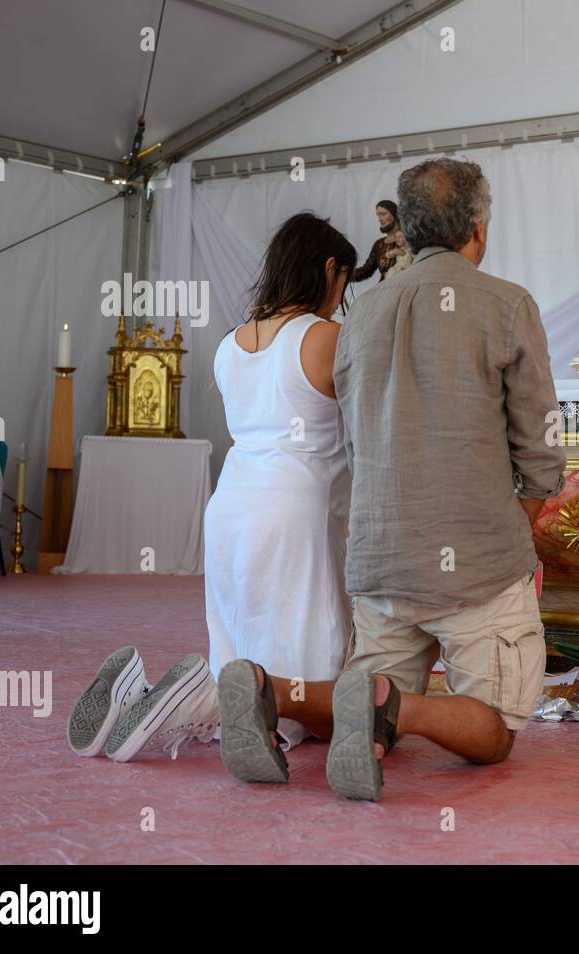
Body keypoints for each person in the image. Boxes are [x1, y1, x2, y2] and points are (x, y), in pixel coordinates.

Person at [218, 157, 567, 801]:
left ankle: (278, 692)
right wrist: (518, 534)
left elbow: (354, 436)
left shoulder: (358, 319)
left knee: (361, 687)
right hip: (478, 563)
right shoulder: (509, 305)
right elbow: (540, 449)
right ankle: (392, 709)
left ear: (403, 229)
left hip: (378, 559)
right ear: (479, 230)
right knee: (495, 730)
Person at [66, 212, 357, 771]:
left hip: (231, 506)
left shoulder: (230, 344)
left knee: (241, 635)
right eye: (343, 284)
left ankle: (144, 697)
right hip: (298, 510)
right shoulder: (327, 338)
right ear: (327, 268)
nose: (341, 299)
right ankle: (183, 705)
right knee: (307, 675)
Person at [351, 200, 401, 284]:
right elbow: (366, 270)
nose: (379, 219)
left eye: (383, 214)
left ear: (394, 214)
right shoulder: (379, 244)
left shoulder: (409, 238)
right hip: (385, 288)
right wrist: (344, 274)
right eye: (378, 215)